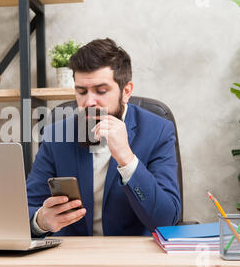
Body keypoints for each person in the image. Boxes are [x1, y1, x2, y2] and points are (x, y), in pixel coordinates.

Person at [26, 38, 181, 237]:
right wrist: (41, 220)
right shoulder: (56, 135)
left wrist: (126, 158)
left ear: (126, 92)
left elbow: (166, 220)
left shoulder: (158, 131)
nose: (89, 102)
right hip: (72, 258)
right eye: (81, 92)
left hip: (131, 258)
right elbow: (28, 207)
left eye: (101, 91)